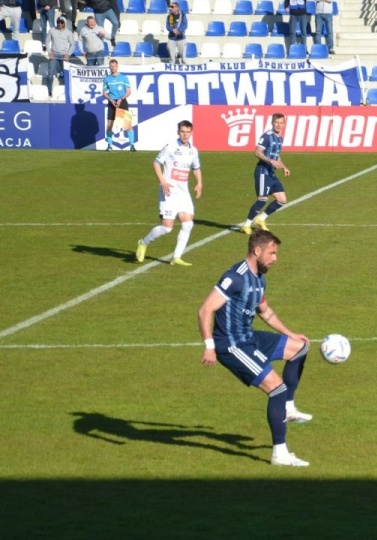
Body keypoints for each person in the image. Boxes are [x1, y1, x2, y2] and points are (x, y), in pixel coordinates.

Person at [197, 229, 313, 467]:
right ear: (257, 250)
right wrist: (209, 346)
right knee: (276, 389)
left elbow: (265, 312)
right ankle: (279, 454)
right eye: (272, 253)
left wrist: (290, 333)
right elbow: (205, 309)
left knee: (300, 348)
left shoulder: (260, 277)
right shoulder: (235, 277)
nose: (275, 258)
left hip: (250, 337)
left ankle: (289, 408)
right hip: (231, 344)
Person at [135, 120, 202, 267]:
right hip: (169, 191)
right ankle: (143, 242)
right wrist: (163, 181)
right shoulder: (170, 147)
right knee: (167, 228)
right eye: (182, 131)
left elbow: (196, 168)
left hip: (184, 193)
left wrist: (199, 183)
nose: (185, 135)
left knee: (188, 224)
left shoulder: (193, 150)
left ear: (191, 132)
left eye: (188, 132)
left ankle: (176, 257)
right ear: (178, 132)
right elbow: (156, 163)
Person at [240, 113, 290, 235]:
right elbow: (257, 152)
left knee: (282, 200)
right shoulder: (266, 136)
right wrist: (270, 161)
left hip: (271, 173)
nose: (278, 125)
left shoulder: (280, 138)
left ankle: (260, 219)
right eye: (276, 122)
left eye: (281, 123)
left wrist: (283, 167)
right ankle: (246, 225)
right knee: (262, 199)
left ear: (284, 124)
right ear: (272, 123)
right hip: (263, 171)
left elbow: (276, 156)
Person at [102, 58, 137, 151]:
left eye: (114, 66)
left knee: (127, 124)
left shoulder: (123, 78)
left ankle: (132, 145)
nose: (112, 68)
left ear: (117, 67)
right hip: (112, 102)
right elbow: (104, 93)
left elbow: (128, 91)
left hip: (122, 102)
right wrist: (110, 99)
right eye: (111, 66)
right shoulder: (107, 79)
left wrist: (121, 99)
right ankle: (109, 145)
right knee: (109, 124)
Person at [44, 16, 74, 98]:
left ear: (64, 23)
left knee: (66, 74)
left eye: (61, 22)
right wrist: (49, 52)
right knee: (50, 74)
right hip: (54, 55)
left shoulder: (68, 32)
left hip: (64, 55)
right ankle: (49, 90)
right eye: (58, 22)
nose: (59, 24)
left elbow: (72, 44)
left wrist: (68, 54)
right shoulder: (52, 30)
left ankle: (66, 91)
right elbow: (47, 42)